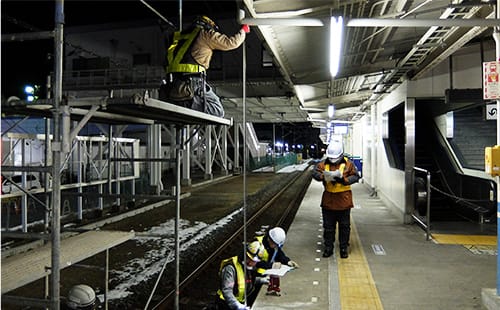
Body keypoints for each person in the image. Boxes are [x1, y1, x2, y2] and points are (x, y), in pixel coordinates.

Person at [161, 15, 250, 117]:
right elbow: (231, 43)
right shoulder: (204, 34)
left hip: (173, 84)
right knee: (218, 110)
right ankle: (185, 105)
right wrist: (243, 31)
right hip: (193, 84)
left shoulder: (179, 37)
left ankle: (178, 104)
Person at [312, 138, 360, 259]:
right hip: (328, 201)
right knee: (328, 227)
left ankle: (344, 247)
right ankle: (328, 247)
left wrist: (344, 180)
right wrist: (323, 176)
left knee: (344, 227)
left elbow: (356, 176)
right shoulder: (323, 164)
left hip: (344, 202)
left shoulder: (348, 164)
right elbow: (315, 173)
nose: (333, 160)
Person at [216, 241, 268, 310]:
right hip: (225, 304)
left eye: (254, 261)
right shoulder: (231, 268)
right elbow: (227, 290)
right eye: (249, 259)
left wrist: (261, 280)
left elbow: (246, 281)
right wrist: (237, 305)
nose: (250, 263)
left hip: (240, 302)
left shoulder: (247, 267)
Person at [253, 227, 299, 296]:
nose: (276, 247)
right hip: (254, 275)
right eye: (275, 244)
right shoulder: (257, 245)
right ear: (270, 239)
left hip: (266, 273)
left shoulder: (273, 246)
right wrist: (271, 265)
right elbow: (254, 262)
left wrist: (288, 261)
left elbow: (279, 254)